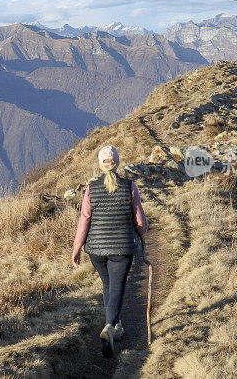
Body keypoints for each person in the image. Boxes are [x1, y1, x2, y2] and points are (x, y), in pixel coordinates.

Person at [71, 145, 148, 357]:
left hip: (95, 249)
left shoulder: (91, 188)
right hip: (122, 247)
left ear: (100, 164)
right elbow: (139, 220)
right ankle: (109, 327)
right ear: (118, 162)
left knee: (108, 285)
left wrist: (77, 248)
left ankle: (116, 325)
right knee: (117, 288)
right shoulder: (129, 186)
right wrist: (142, 234)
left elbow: (84, 219)